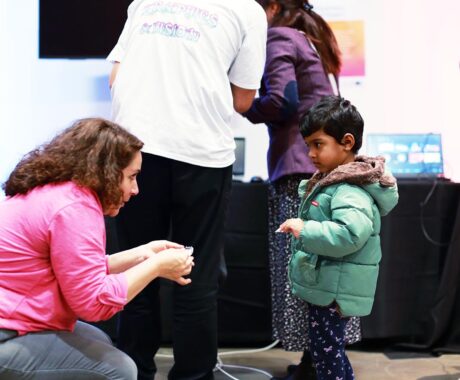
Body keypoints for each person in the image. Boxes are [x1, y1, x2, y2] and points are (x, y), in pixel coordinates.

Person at [106, 1, 267, 379]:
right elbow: (243, 99)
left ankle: (133, 371)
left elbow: (116, 76)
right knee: (196, 276)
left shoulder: (145, 2)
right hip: (202, 155)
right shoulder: (247, 11)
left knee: (136, 269)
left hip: (135, 152)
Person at [0, 118, 194, 380]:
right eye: (132, 177)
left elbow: (72, 269)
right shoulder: (75, 207)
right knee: (117, 369)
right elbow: (93, 303)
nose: (135, 189)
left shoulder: (58, 192)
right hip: (6, 332)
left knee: (97, 339)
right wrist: (155, 266)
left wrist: (141, 254)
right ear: (106, 172)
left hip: (11, 322)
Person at [243, 1, 361, 378]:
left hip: (297, 171)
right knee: (326, 268)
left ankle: (317, 365)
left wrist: (240, 104)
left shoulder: (279, 36)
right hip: (321, 170)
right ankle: (319, 361)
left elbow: (281, 100)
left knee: (302, 270)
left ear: (273, 7)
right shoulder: (312, 40)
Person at [277, 95, 399, 379]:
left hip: (334, 291)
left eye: (318, 144)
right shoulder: (335, 182)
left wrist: (304, 229)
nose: (311, 154)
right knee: (327, 353)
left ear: (346, 142)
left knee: (327, 356)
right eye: (308, 146)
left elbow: (349, 234)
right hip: (329, 286)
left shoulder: (349, 190)